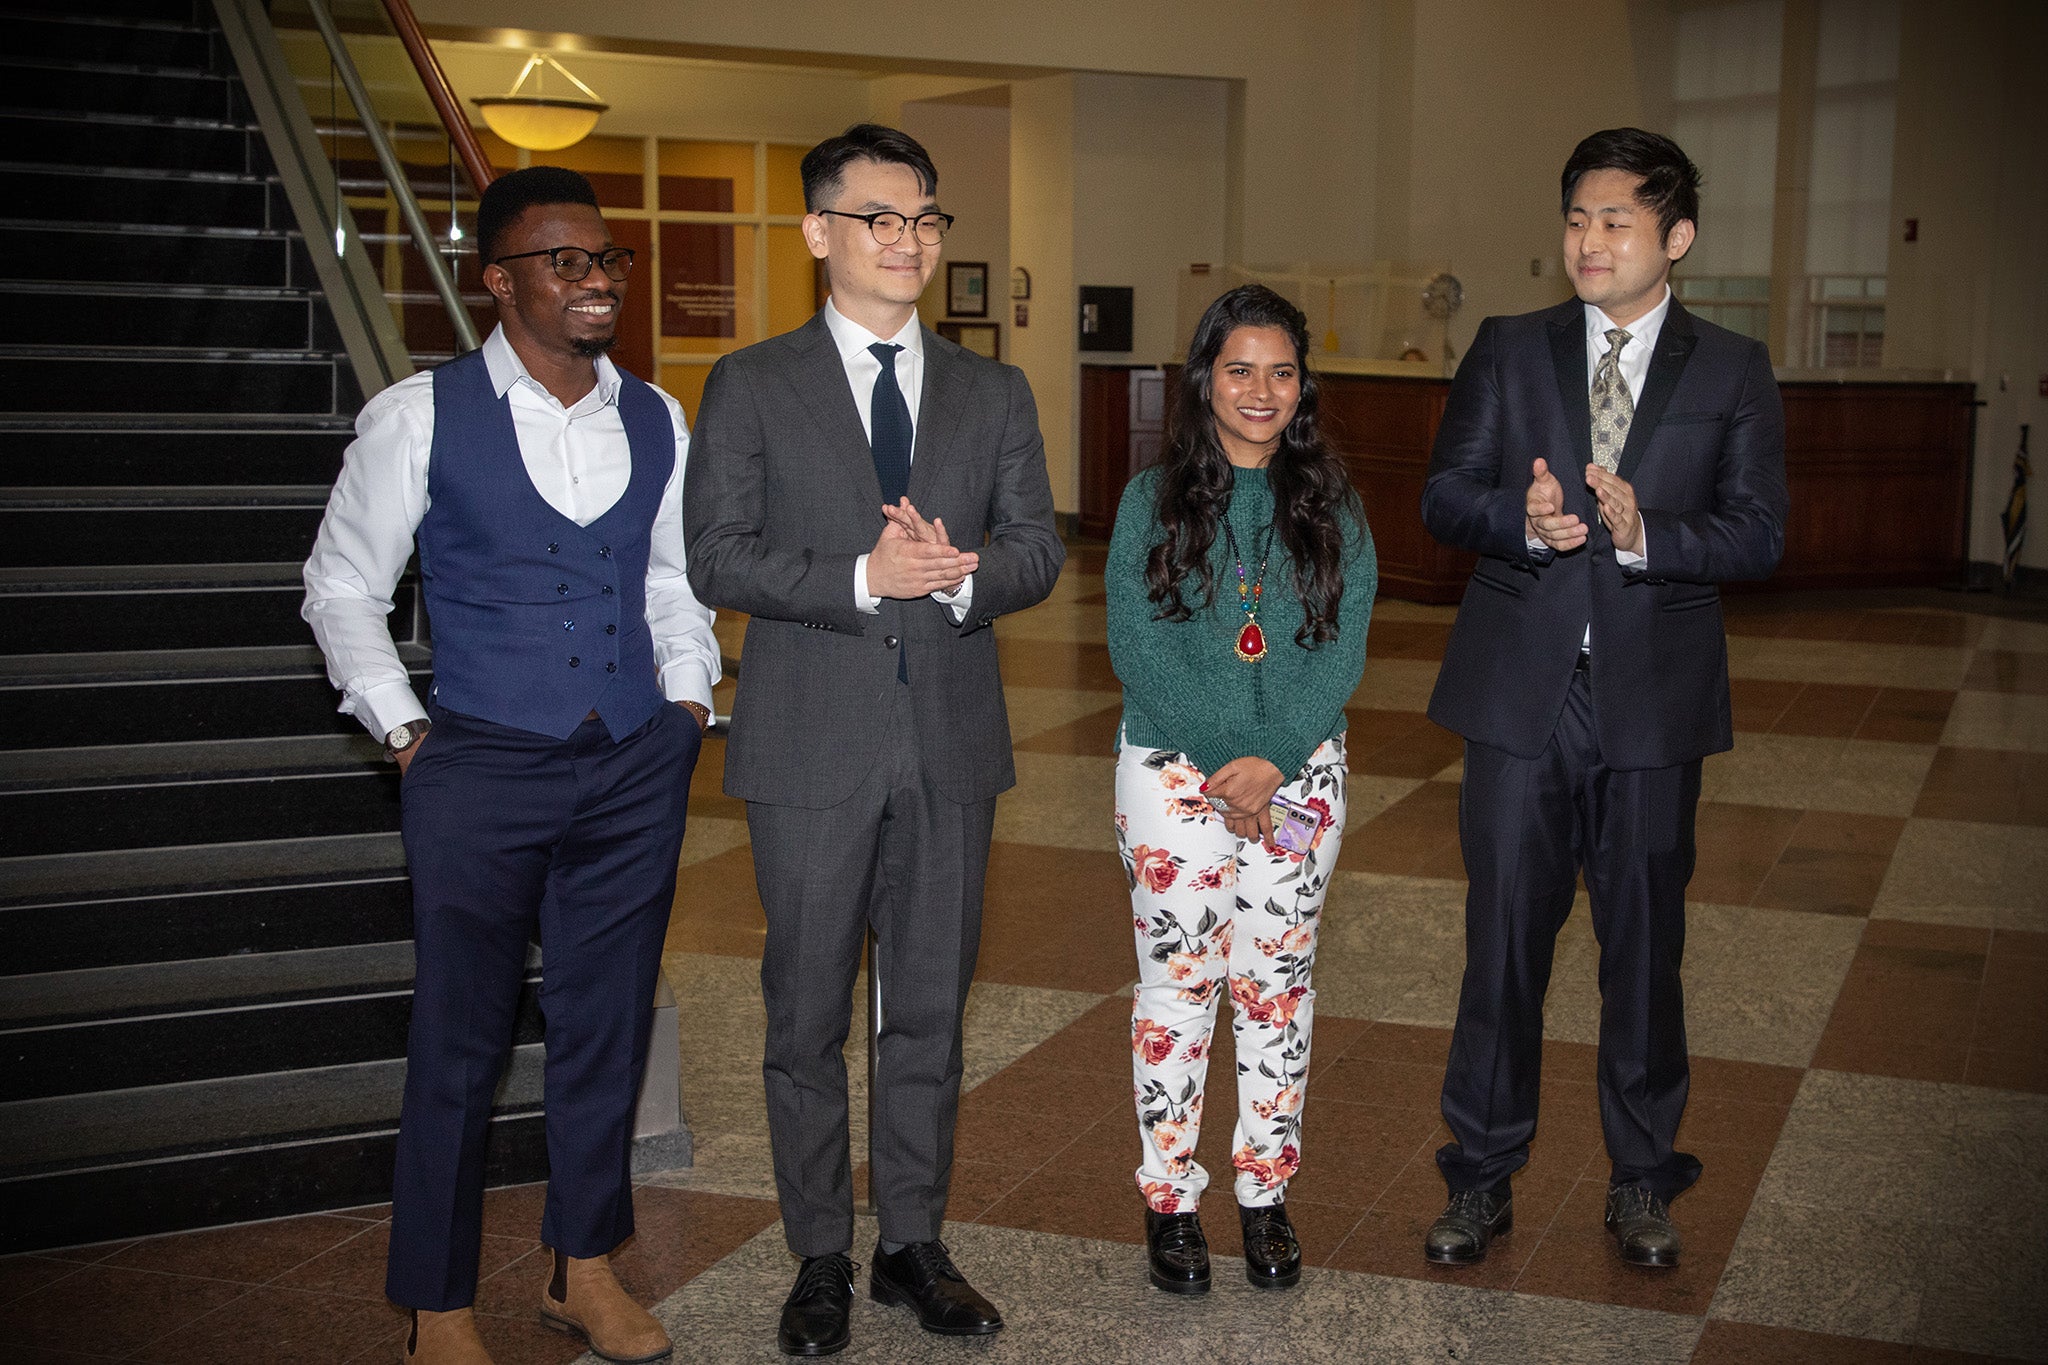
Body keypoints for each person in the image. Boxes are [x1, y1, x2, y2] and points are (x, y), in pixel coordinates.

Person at [303, 165, 718, 1365]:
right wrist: (403, 728)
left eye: (608, 260)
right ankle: (435, 1308)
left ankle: (581, 1268)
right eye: (563, 261)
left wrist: (686, 701)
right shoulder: (419, 415)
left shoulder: (657, 416)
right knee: (461, 1041)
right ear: (498, 280)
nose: (597, 281)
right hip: (479, 761)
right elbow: (341, 586)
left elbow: (668, 578)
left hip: (630, 759)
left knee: (606, 1026)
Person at [683, 124, 1063, 1357]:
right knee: (803, 1015)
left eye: (925, 220)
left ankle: (910, 1243)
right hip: (808, 742)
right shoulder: (752, 382)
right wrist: (862, 575)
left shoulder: (992, 392)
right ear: (818, 232)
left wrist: (961, 578)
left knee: (930, 1012)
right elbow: (716, 555)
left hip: (950, 740)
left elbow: (1037, 550)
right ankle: (818, 1254)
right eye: (880, 219)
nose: (909, 242)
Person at [1419, 128, 1787, 1270]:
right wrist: (1519, 522)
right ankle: (1480, 1176)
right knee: (1501, 945)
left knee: (1643, 949)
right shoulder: (1508, 346)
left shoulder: (1731, 368)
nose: (1589, 240)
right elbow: (1443, 495)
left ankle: (1641, 1178)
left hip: (1651, 703)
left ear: (1676, 237)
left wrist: (1646, 534)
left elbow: (1758, 533)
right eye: (1577, 218)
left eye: (1616, 220)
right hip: (1520, 696)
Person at [1106, 284, 1375, 1296]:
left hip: (1300, 774)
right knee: (1179, 989)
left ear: (1302, 386)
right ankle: (1170, 1200)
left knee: (1276, 987)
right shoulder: (1150, 500)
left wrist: (1276, 756)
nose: (1261, 390)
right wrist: (1234, 761)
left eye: (1281, 371)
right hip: (1174, 774)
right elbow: (1137, 644)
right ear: (1204, 381)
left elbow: (1341, 646)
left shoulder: (1334, 504)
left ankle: (1264, 1192)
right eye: (1239, 369)